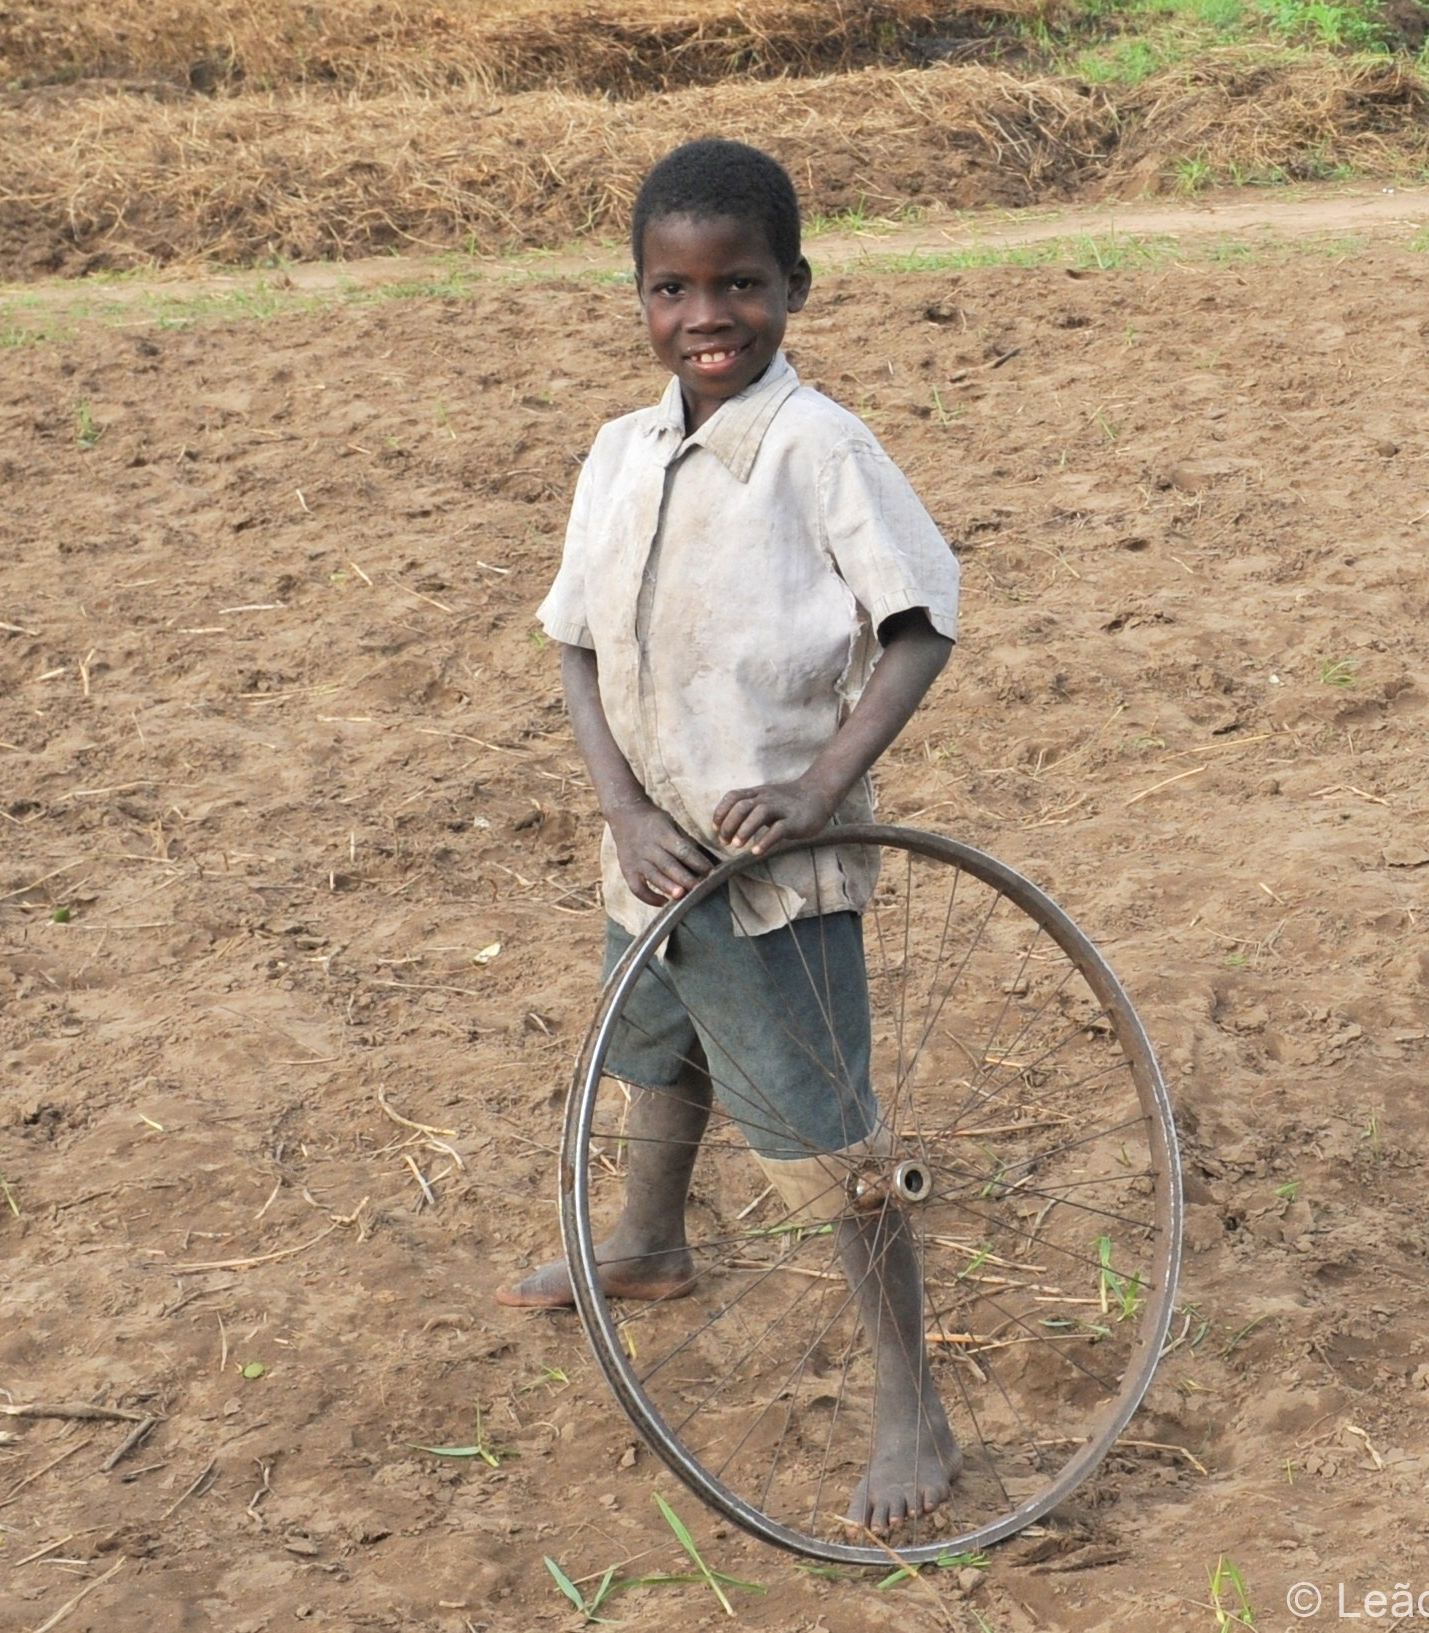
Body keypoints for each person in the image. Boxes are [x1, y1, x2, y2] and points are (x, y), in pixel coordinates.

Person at [493, 138, 963, 1533]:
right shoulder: (616, 451)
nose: (707, 317)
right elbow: (574, 646)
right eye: (672, 289)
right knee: (655, 1049)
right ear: (637, 298)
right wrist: (622, 811)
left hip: (775, 867)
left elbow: (920, 623)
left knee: (828, 1142)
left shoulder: (820, 448)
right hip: (648, 851)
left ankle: (911, 1405)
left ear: (794, 287)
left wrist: (820, 790)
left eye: (739, 284)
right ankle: (644, 1240)